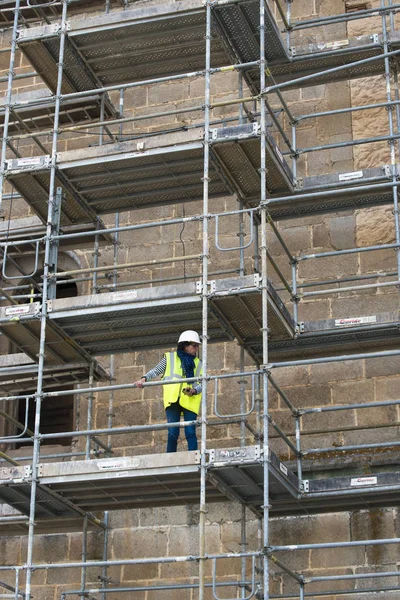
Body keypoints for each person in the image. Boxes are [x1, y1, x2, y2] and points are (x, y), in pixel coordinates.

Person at [135, 330, 202, 453]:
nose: (197, 348)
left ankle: (194, 457)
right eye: (194, 345)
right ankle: (170, 456)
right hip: (172, 400)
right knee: (172, 433)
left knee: (190, 432)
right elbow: (155, 371)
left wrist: (194, 390)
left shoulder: (198, 363)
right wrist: (144, 378)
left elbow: (202, 382)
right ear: (185, 345)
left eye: (197, 346)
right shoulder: (169, 358)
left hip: (190, 400)